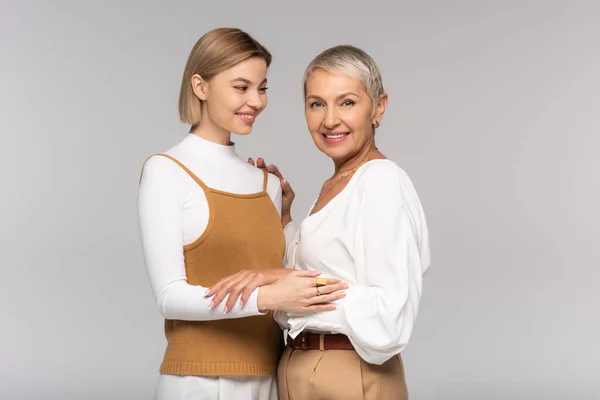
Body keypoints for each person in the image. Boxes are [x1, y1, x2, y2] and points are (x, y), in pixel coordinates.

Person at [137, 28, 347, 400]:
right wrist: (267, 298)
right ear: (200, 86)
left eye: (262, 88)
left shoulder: (267, 184)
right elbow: (169, 296)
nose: (256, 100)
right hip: (200, 382)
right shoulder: (165, 170)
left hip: (273, 373)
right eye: (241, 87)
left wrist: (285, 220)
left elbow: (292, 274)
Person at [211, 44, 431, 399]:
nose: (329, 120)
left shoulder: (381, 181)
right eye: (316, 104)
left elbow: (390, 316)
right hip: (299, 366)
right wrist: (283, 222)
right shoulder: (336, 184)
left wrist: (283, 281)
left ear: (378, 108)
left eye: (346, 102)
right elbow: (328, 272)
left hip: (349, 374)